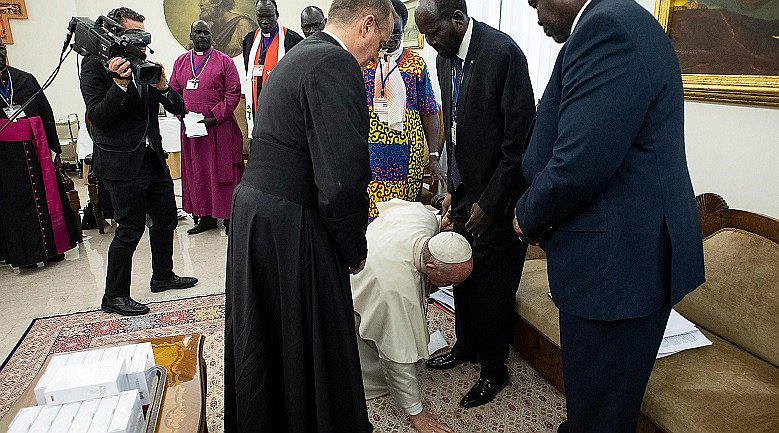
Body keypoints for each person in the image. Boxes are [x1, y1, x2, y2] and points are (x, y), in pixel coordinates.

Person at [515, 0, 706, 431]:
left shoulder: (607, 29)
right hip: (617, 263)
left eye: (536, 0)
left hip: (615, 269)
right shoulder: (615, 22)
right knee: (595, 406)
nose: (533, 8)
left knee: (601, 415)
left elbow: (577, 163)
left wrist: (525, 216)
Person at [224, 0, 395, 431]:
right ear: (367, 25)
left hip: (257, 212)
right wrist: (352, 248)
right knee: (314, 338)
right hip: (290, 221)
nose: (377, 56)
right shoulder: (336, 63)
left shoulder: (300, 54)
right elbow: (340, 179)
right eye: (381, 42)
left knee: (268, 340)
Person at [415, 0, 536, 408]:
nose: (431, 43)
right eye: (425, 35)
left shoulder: (503, 54)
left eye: (434, 32)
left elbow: (519, 144)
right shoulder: (445, 58)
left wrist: (489, 202)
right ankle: (465, 346)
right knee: (462, 277)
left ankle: (494, 369)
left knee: (493, 290)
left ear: (458, 19)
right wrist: (453, 187)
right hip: (467, 193)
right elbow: (454, 130)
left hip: (501, 201)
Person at [79, 7, 198, 316]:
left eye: (144, 36)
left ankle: (162, 276)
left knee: (166, 218)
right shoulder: (94, 66)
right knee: (130, 228)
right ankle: (114, 296)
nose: (141, 42)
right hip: (121, 163)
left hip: (151, 157)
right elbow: (99, 118)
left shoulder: (144, 64)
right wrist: (119, 85)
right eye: (134, 35)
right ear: (115, 34)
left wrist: (163, 87)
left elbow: (179, 107)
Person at [351, 199, 472, 433]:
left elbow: (424, 216)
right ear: (431, 267)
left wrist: (441, 223)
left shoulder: (424, 218)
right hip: (354, 298)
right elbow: (397, 361)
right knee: (389, 349)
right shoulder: (397, 293)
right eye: (450, 282)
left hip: (372, 261)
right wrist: (417, 414)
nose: (453, 287)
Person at [0, 41, 80, 269]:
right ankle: (25, 256)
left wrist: (54, 149)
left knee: (46, 197)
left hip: (37, 152)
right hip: (6, 159)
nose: (0, 54)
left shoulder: (25, 79)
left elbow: (46, 113)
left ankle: (54, 249)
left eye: (2, 48)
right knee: (15, 206)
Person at [363, 0, 444, 220]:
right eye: (387, 32)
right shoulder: (365, 60)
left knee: (404, 218)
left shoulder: (415, 63)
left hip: (408, 154)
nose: (390, 39)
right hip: (371, 153)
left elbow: (429, 110)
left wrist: (434, 156)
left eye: (397, 33)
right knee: (374, 216)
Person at [170, 20, 244, 235]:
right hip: (193, 131)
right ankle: (205, 217)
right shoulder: (181, 62)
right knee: (198, 172)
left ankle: (230, 217)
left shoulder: (224, 61)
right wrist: (183, 115)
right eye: (198, 32)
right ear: (191, 36)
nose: (202, 36)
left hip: (219, 128)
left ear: (212, 37)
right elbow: (174, 93)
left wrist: (214, 117)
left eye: (206, 33)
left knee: (224, 172)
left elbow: (233, 92)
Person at [241, 0, 303, 136]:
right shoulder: (249, 40)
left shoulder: (293, 40)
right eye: (260, 16)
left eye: (269, 16)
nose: (264, 21)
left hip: (282, 110)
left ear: (277, 15)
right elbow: (248, 73)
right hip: (256, 108)